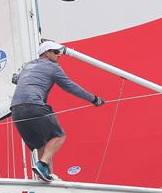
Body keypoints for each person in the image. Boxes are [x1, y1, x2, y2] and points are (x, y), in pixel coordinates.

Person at [10, 40, 104, 182]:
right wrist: (94, 99)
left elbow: (18, 79)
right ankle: (42, 166)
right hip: (34, 106)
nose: (59, 55)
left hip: (16, 111)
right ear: (46, 54)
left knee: (43, 144)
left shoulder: (28, 66)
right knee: (59, 137)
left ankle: (46, 178)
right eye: (55, 52)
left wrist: (16, 78)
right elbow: (70, 87)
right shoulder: (53, 67)